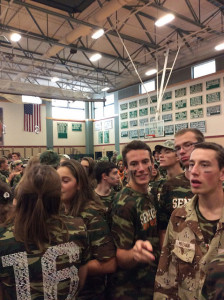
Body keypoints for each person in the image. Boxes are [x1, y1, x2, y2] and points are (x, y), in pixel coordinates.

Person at [0, 163, 89, 299]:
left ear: (20, 196)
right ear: (58, 196)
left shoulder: (4, 237)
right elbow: (80, 281)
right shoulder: (77, 228)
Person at [154, 142, 224, 300]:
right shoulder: (179, 216)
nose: (194, 171)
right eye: (191, 164)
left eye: (204, 165)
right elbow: (166, 278)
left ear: (222, 173)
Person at [57, 159, 117, 300]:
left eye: (65, 181)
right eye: (56, 181)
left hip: (89, 293)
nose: (59, 186)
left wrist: (68, 265)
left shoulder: (90, 214)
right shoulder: (59, 211)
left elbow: (109, 263)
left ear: (79, 185)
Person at [108, 140, 160, 300]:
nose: (141, 168)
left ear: (152, 163)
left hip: (150, 283)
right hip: (130, 290)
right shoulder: (124, 203)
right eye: (134, 164)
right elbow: (122, 257)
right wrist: (135, 254)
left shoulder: (148, 196)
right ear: (125, 167)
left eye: (145, 162)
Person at [158, 128, 205, 242]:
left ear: (203, 145)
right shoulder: (170, 185)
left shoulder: (218, 183)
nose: (181, 151)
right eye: (178, 148)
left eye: (187, 145)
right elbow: (164, 229)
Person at [94, 161, 120, 226]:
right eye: (115, 173)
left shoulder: (118, 197)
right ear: (104, 176)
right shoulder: (89, 198)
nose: (118, 176)